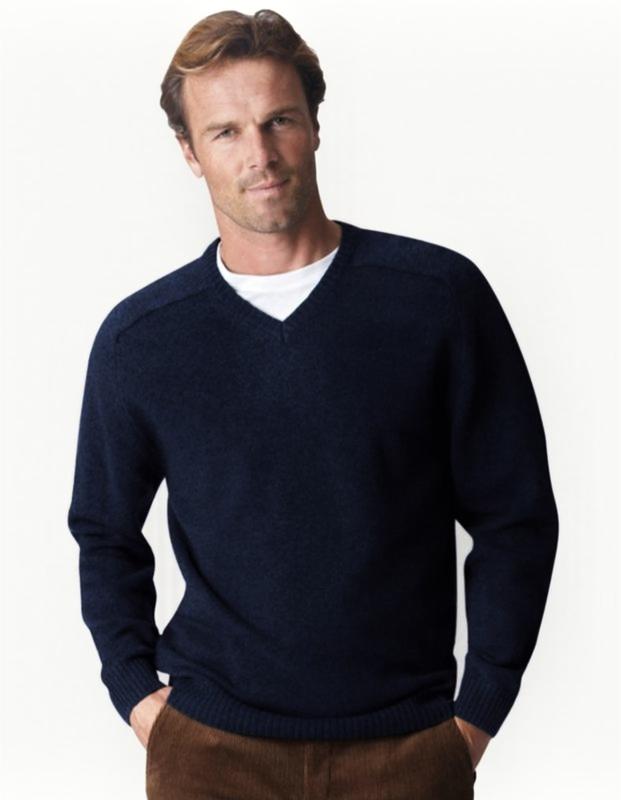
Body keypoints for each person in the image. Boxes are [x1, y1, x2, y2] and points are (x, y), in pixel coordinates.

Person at [67, 9, 559, 799]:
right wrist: (137, 695)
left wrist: (477, 713)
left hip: (407, 751)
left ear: (315, 126)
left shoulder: (435, 300)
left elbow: (515, 515)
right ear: (189, 152)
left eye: (279, 121)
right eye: (225, 132)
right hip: (209, 753)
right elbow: (103, 531)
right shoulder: (143, 339)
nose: (259, 155)